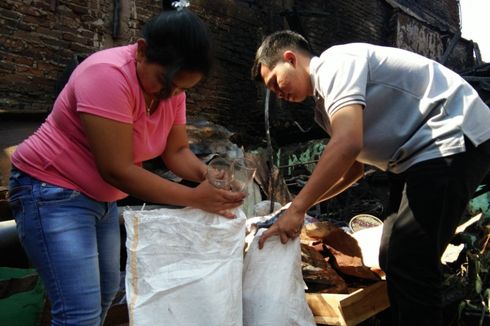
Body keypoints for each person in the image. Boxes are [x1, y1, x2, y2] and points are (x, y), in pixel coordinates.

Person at [7, 8, 244, 326]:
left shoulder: (172, 89)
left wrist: (207, 176)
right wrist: (196, 198)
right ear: (142, 50)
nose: (170, 95)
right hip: (51, 188)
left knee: (106, 294)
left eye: (181, 89)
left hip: (101, 197)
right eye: (165, 83)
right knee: (79, 311)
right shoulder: (106, 75)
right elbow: (117, 169)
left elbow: (176, 151)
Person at [251, 30, 490, 326]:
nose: (278, 93)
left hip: (449, 136)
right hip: (417, 158)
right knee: (392, 256)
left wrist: (298, 208)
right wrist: (297, 207)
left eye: (275, 82)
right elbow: (353, 168)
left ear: (290, 58)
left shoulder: (335, 64)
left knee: (411, 261)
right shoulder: (324, 109)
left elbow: (347, 143)